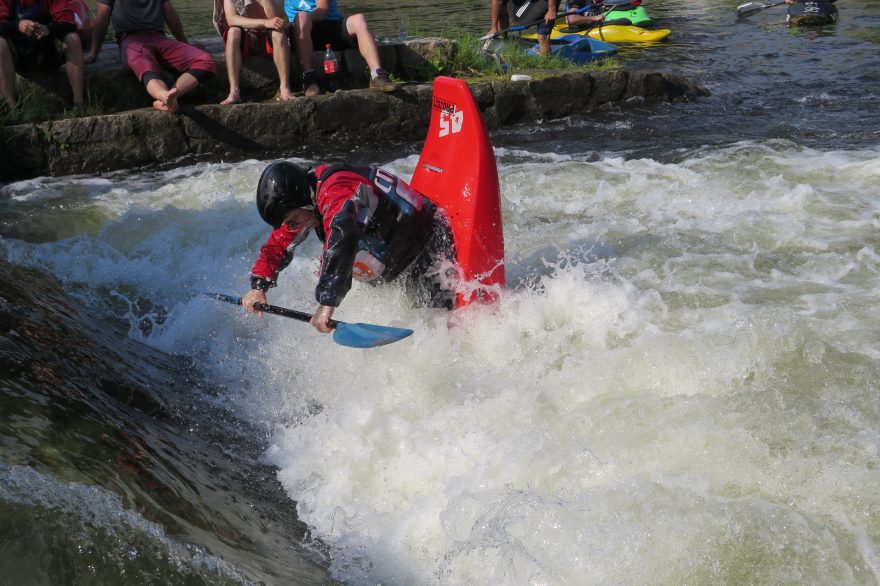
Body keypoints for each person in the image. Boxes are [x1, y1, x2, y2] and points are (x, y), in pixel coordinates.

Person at [242, 161, 454, 332]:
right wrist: (259, 286)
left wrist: (327, 302)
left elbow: (342, 237)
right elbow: (277, 244)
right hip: (398, 261)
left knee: (444, 327)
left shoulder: (337, 191)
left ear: (303, 202)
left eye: (292, 220)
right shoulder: (306, 204)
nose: (293, 227)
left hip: (430, 245)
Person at [85, 0, 216, 112]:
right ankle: (163, 95)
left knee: (205, 59)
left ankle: (171, 97)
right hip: (131, 39)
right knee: (144, 64)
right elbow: (102, 18)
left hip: (159, 38)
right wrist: (94, 53)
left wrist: (185, 44)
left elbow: (170, 15)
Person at [284, 0, 397, 96]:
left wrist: (300, 20)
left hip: (332, 26)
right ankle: (309, 78)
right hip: (302, 32)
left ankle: (377, 74)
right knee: (301, 18)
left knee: (359, 19)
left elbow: (322, 11)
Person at [0, 0, 85, 115]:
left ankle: (78, 103)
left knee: (73, 39)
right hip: (17, 54)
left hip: (46, 51)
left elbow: (69, 24)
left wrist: (48, 29)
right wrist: (18, 25)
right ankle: (12, 108)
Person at [213, 0, 295, 104]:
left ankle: (285, 87)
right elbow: (231, 19)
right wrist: (264, 22)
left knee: (278, 33)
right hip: (246, 34)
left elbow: (276, 19)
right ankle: (234, 91)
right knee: (233, 32)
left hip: (267, 36)